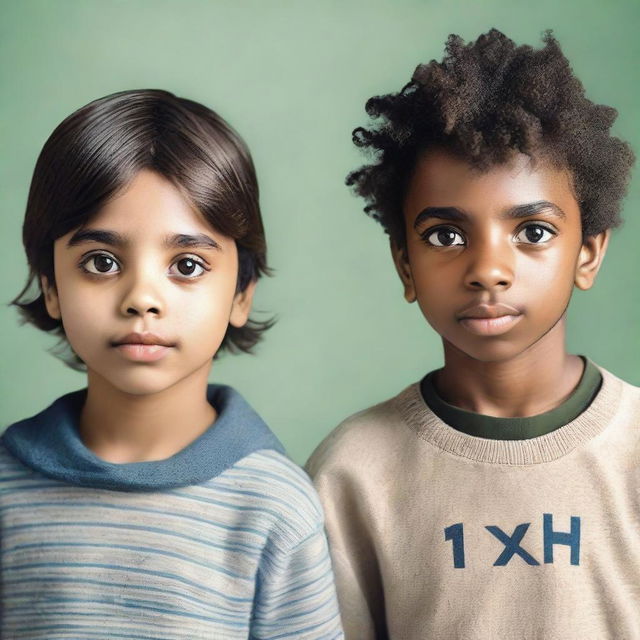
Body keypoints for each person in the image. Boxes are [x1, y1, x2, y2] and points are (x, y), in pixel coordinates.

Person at [306, 29, 638, 639]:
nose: (488, 269)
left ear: (588, 254)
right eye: (445, 236)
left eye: (533, 232)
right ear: (405, 264)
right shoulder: (351, 473)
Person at [3, 89, 343, 639]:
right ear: (51, 286)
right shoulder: (6, 491)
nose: (142, 297)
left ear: (241, 293)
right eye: (101, 262)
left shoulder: (275, 509)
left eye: (186, 264)